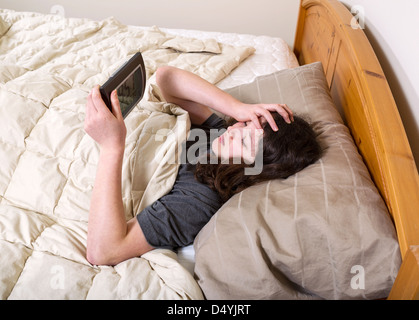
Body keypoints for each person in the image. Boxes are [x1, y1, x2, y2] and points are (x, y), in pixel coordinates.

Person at [84, 66, 321, 266]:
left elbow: (104, 251)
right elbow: (166, 78)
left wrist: (112, 146)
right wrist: (237, 108)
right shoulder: (217, 137)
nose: (234, 130)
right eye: (246, 123)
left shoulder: (198, 200)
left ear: (257, 169)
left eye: (246, 140)